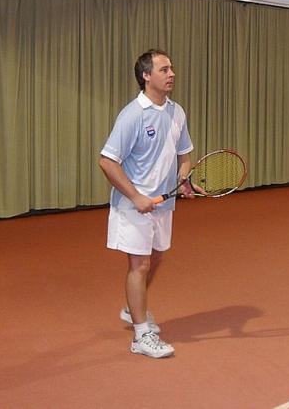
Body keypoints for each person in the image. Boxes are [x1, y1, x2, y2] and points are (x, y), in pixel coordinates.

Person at [99, 49, 198, 359]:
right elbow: (107, 161)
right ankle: (141, 336)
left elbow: (184, 154)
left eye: (171, 68)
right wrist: (135, 196)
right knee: (139, 265)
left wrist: (183, 178)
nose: (171, 74)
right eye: (164, 69)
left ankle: (133, 309)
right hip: (134, 205)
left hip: (163, 204)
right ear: (146, 76)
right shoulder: (133, 115)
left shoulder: (177, 112)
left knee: (155, 259)